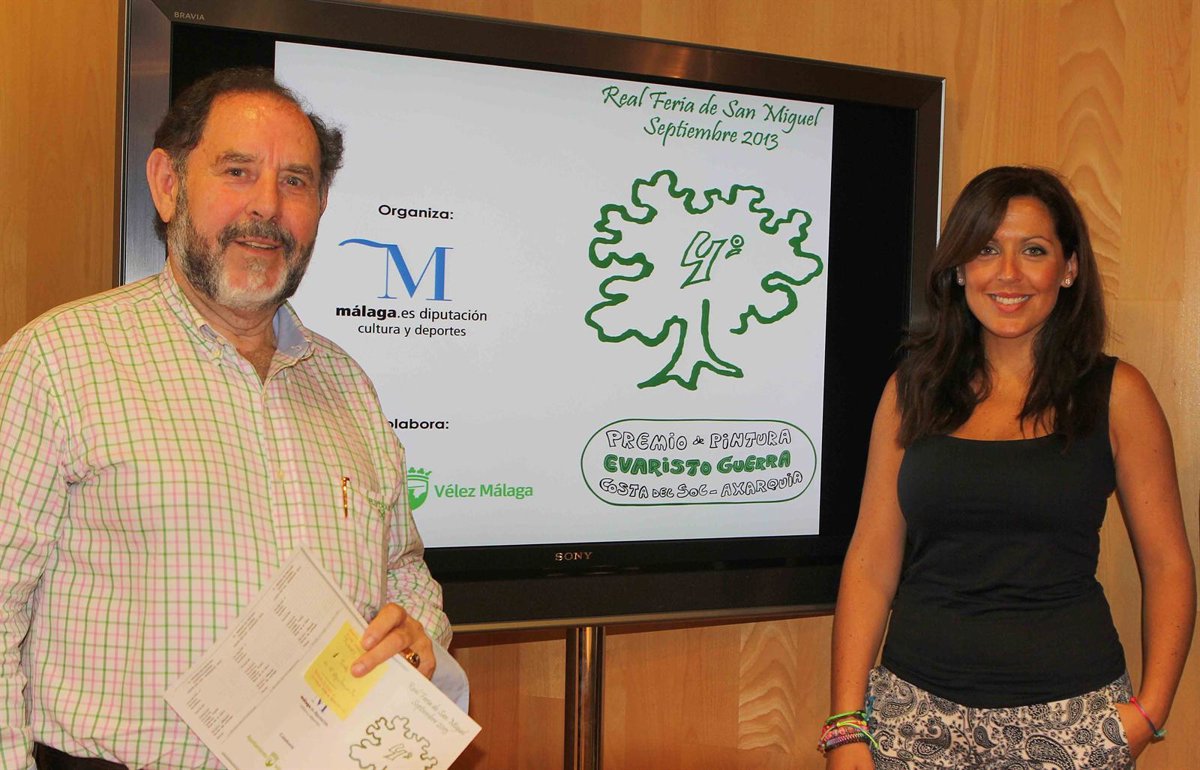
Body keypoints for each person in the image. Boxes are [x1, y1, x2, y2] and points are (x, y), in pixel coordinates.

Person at [0, 67, 466, 770]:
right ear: (168, 184)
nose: (268, 206)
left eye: (296, 181)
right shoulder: (58, 362)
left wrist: (418, 633)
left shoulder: (347, 385)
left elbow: (402, 569)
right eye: (238, 171)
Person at [822, 166, 1195, 769]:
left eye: (1035, 250)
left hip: (1073, 723)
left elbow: (1168, 563)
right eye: (987, 249)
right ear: (959, 268)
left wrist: (1150, 713)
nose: (1009, 273)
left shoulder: (1117, 394)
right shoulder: (911, 390)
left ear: (1069, 269)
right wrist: (846, 725)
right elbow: (870, 561)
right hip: (911, 719)